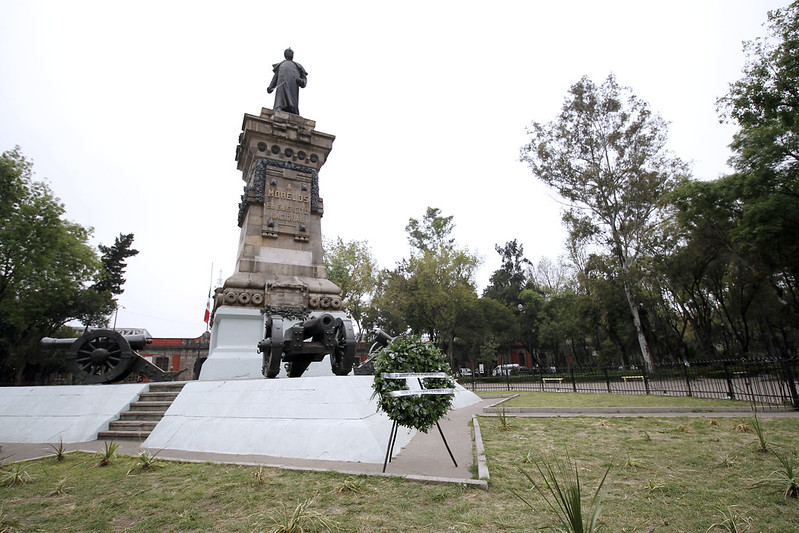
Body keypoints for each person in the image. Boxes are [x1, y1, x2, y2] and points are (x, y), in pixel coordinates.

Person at [267, 48, 307, 115]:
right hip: (282, 86)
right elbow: (275, 77)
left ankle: (292, 109)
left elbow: (304, 80)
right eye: (289, 52)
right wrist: (271, 86)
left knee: (292, 101)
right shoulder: (281, 65)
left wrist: (300, 81)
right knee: (280, 98)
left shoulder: (298, 66)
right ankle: (279, 107)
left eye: (291, 52)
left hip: (293, 87)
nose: (290, 53)